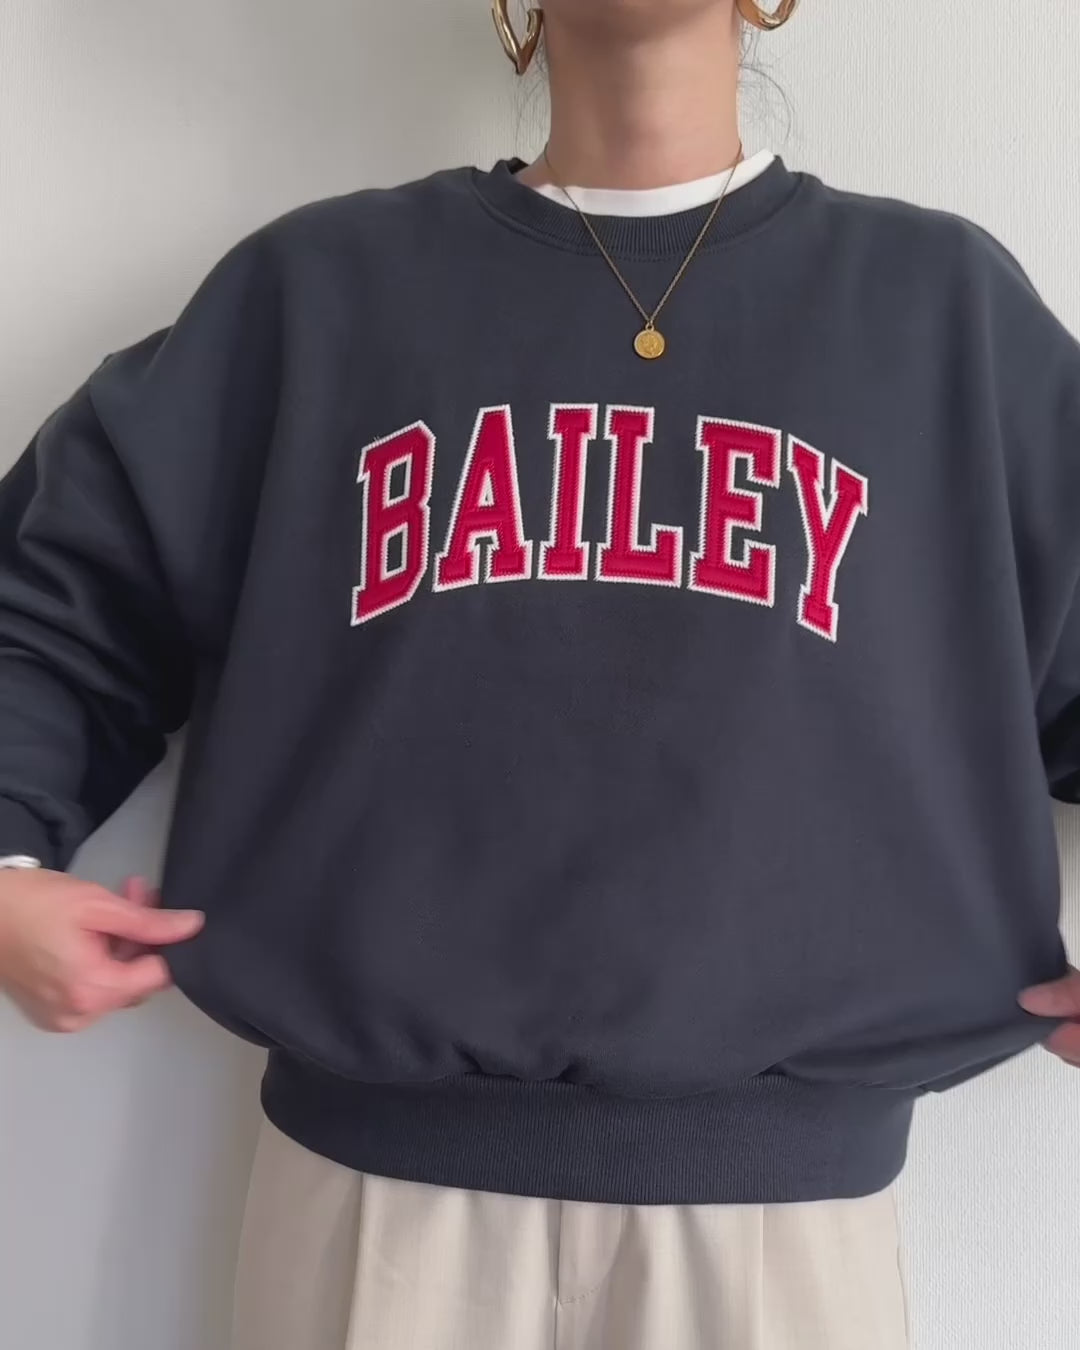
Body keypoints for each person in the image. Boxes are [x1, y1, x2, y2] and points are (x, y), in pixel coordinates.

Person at [1, 0, 1079, 1345]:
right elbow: (60, 591)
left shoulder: (938, 310)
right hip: (375, 1204)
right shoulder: (318, 291)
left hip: (784, 1214)